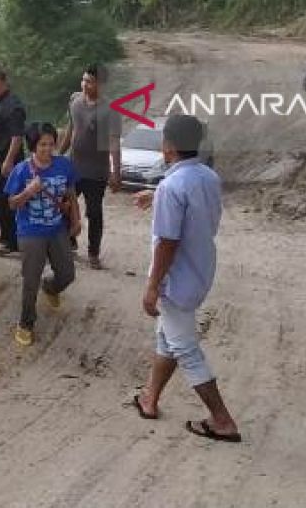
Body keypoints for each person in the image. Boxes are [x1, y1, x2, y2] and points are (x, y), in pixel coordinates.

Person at [130, 114, 240, 443]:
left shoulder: (172, 187)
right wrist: (157, 196)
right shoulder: (207, 177)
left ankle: (222, 420)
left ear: (169, 147)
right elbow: (192, 207)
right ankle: (150, 398)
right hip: (200, 270)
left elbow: (168, 241)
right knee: (168, 337)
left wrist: (152, 286)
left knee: (185, 348)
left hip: (176, 281)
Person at [5, 122, 80, 347]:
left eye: (51, 144)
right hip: (31, 231)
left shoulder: (64, 165)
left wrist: (76, 220)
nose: (48, 149)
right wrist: (28, 191)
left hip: (57, 228)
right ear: (32, 147)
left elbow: (71, 193)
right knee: (30, 279)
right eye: (42, 145)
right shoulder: (21, 171)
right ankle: (26, 323)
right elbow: (11, 203)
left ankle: (51, 287)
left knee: (67, 273)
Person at [59, 63, 121, 269]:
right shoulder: (75, 102)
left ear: (100, 84)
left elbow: (113, 142)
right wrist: (59, 155)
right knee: (63, 203)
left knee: (94, 212)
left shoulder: (110, 110)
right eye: (83, 80)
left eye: (90, 82)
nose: (85, 85)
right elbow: (71, 129)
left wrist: (115, 172)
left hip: (96, 171)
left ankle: (93, 252)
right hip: (73, 166)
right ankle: (69, 240)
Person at [0, 66, 26, 257]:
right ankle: (5, 235)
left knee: (6, 199)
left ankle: (13, 241)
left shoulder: (12, 106)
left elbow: (17, 137)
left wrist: (8, 161)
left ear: (4, 84)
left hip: (10, 161)